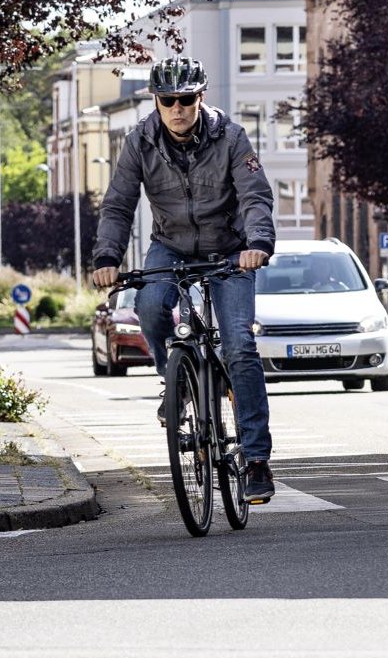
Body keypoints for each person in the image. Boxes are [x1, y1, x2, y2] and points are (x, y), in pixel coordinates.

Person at [90, 57, 278, 504]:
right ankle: (172, 383)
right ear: (155, 102)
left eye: (186, 99)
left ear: (201, 97)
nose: (177, 109)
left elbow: (255, 195)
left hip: (230, 249)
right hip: (170, 245)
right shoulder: (139, 141)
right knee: (149, 306)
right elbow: (118, 204)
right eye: (167, 101)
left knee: (238, 344)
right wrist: (106, 257)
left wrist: (258, 243)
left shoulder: (231, 136)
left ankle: (255, 460)